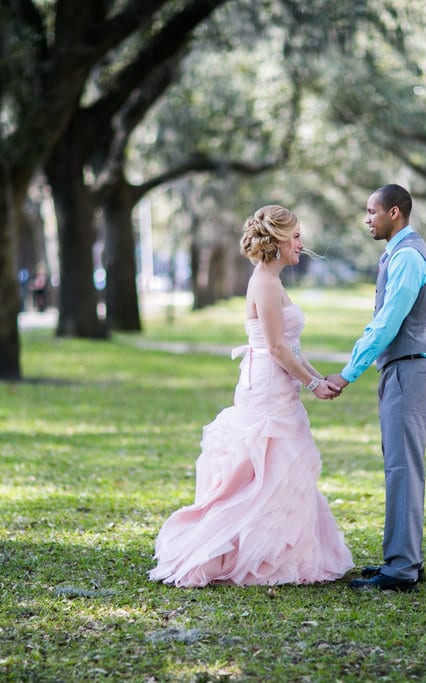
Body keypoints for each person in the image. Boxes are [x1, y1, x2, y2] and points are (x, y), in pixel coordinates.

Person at [149, 204, 353, 587]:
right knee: (264, 465)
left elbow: (291, 346)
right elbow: (276, 348)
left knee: (281, 465)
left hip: (277, 382)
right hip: (267, 386)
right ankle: (237, 551)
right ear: (276, 241)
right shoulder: (264, 282)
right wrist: (311, 385)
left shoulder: (273, 280)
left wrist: (316, 379)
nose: (300, 243)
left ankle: (275, 548)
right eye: (294, 237)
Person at [326, 184, 426, 592]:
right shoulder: (400, 253)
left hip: (410, 368)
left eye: (372, 211)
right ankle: (404, 558)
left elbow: (388, 321)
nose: (367, 219)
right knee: (399, 465)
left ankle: (402, 569)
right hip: (403, 367)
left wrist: (348, 372)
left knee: (402, 467)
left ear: (395, 212)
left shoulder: (408, 257)